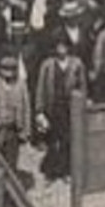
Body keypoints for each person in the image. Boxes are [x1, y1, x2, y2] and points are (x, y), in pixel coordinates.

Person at [33, 36, 88, 184]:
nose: (61, 49)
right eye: (58, 46)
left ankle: (65, 171)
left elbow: (82, 86)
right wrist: (39, 110)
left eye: (64, 46)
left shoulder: (77, 64)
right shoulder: (47, 65)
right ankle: (50, 172)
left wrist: (83, 104)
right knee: (52, 139)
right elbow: (40, 88)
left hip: (69, 108)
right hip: (53, 107)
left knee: (67, 140)